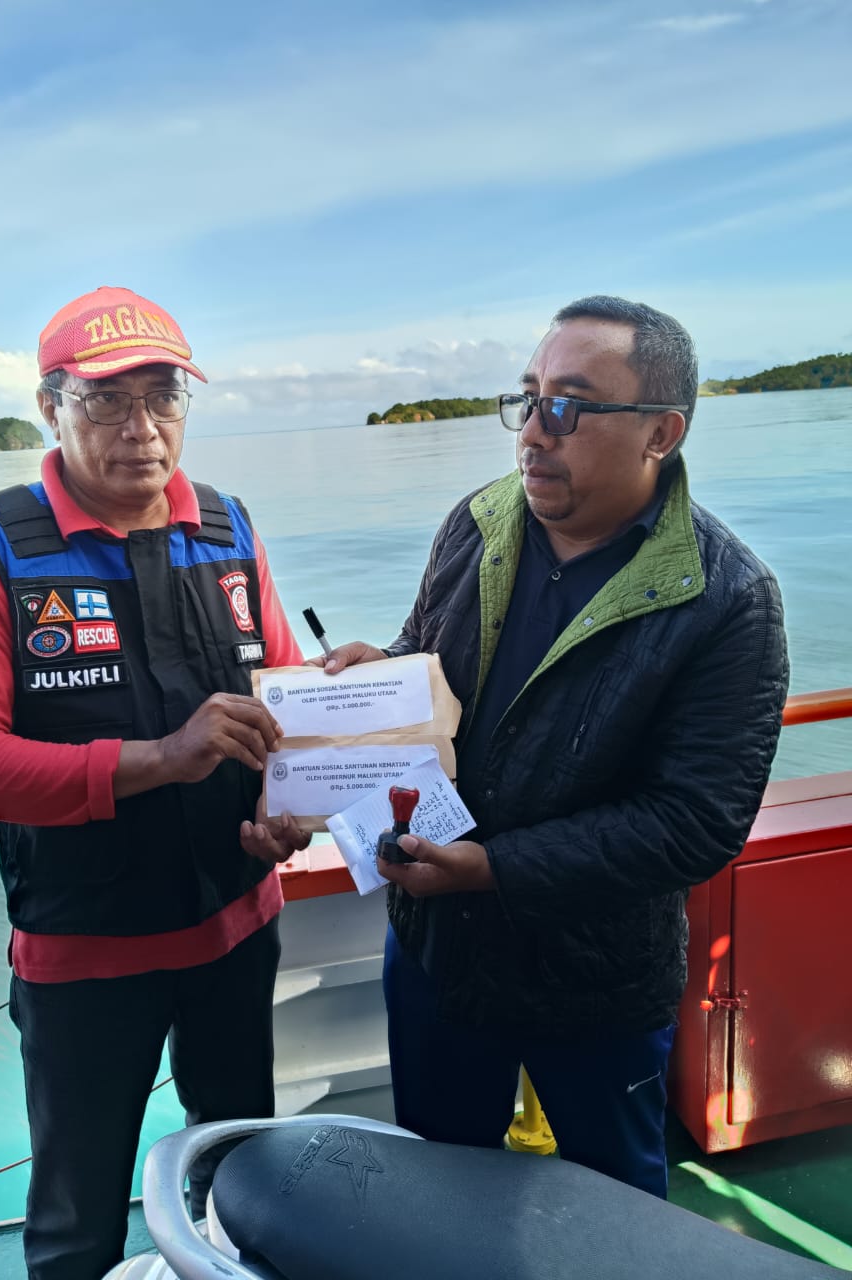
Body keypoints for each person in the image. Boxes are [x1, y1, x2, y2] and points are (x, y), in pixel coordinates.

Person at [318, 295, 789, 1199]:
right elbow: (431, 651)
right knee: (437, 1195)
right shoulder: (477, 522)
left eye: (568, 406)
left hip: (595, 979)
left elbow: (695, 823)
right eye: (528, 398)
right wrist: (389, 672)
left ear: (661, 433)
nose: (532, 434)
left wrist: (491, 869)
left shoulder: (726, 598)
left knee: (616, 1215)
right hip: (438, 953)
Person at [0, 286, 310, 1280]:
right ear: (50, 407)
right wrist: (163, 757)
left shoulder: (227, 526)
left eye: (164, 396)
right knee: (76, 1220)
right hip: (83, 955)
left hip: (237, 927)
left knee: (245, 1189)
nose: (142, 429)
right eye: (106, 401)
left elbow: (279, 694)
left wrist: (289, 800)